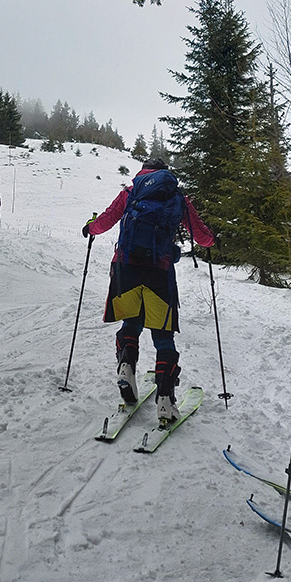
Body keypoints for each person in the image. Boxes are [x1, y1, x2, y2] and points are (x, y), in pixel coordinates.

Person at [84, 159, 214, 425]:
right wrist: (212, 240)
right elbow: (202, 236)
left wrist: (90, 227)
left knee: (131, 322)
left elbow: (106, 220)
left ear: (143, 172)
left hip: (125, 268)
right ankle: (165, 400)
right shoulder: (177, 197)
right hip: (159, 271)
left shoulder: (131, 192)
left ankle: (126, 366)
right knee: (163, 334)